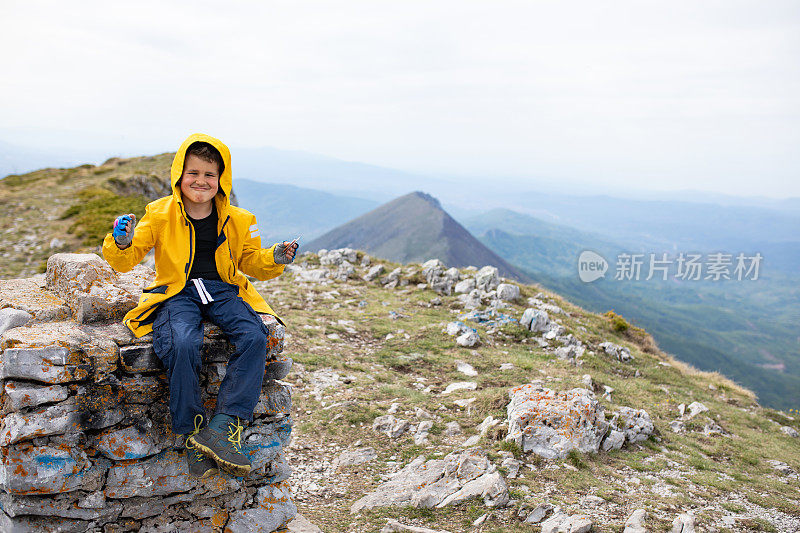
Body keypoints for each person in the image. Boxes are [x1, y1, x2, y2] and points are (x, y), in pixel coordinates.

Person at [102, 133, 298, 479]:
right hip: (177, 292)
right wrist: (122, 242)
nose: (201, 181)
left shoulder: (239, 218)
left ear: (222, 179)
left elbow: (251, 260)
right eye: (193, 173)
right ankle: (194, 432)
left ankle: (223, 426)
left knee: (254, 336)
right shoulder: (159, 213)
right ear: (179, 174)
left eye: (210, 175)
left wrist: (275, 258)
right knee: (181, 341)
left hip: (222, 289)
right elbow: (127, 259)